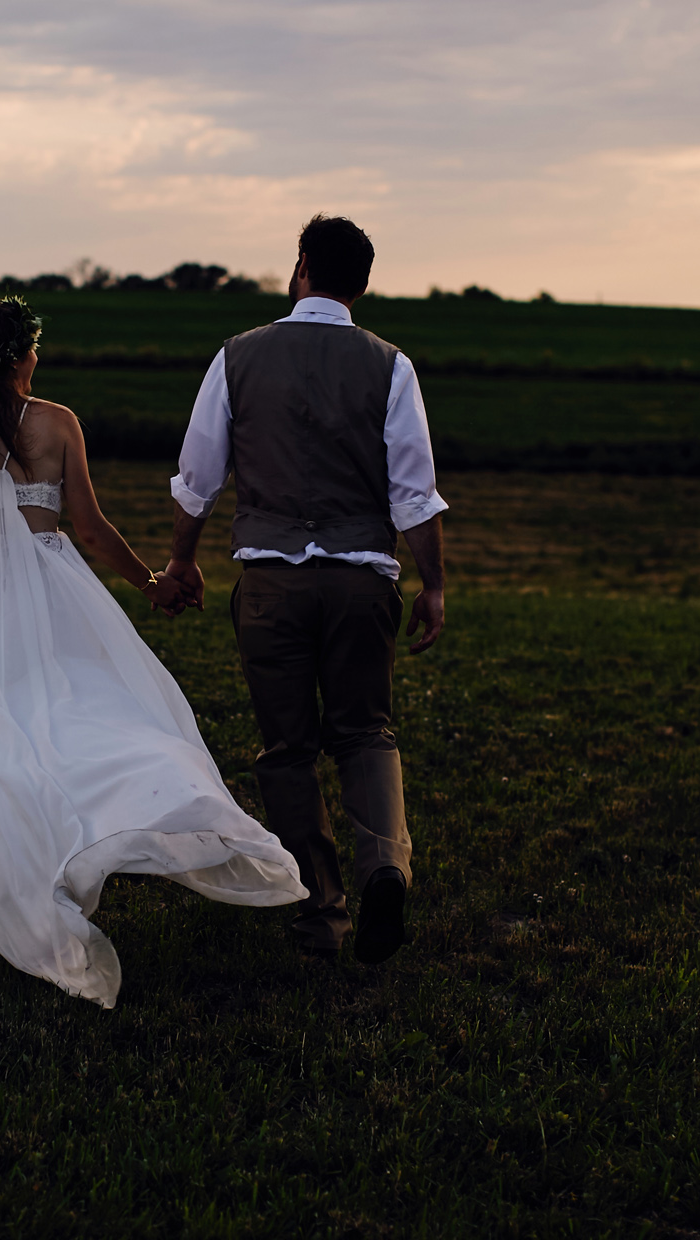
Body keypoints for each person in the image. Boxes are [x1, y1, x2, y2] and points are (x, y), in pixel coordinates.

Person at [0, 296, 307, 1009]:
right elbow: (89, 526)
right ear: (15, 357)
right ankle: (146, 803)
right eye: (32, 348)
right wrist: (150, 584)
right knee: (91, 713)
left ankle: (26, 855)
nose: (38, 359)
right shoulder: (57, 423)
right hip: (52, 587)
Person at [162, 215, 448, 965]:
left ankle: (322, 911)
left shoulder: (238, 356)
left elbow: (198, 480)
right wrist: (434, 584)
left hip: (269, 583)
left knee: (288, 748)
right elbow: (415, 494)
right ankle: (384, 865)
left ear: (301, 269)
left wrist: (182, 562)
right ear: (363, 283)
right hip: (361, 582)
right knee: (366, 731)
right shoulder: (392, 365)